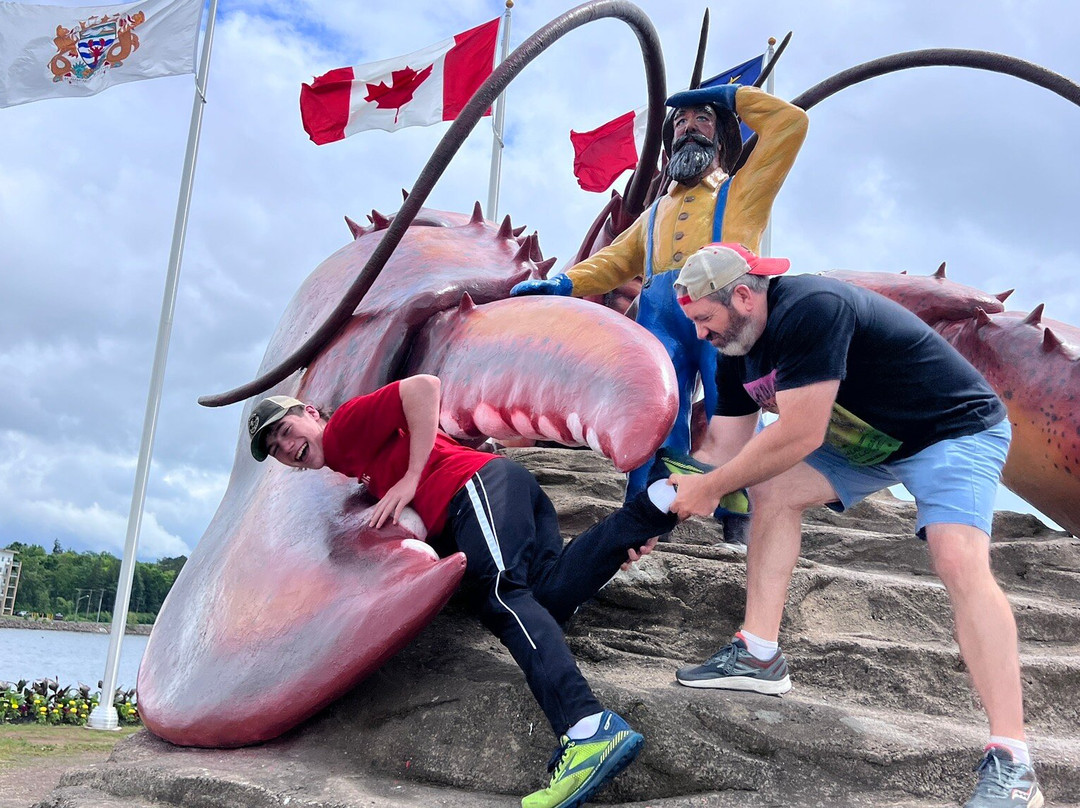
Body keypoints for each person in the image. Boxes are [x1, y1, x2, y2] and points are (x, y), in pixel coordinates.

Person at [663, 242, 1042, 808]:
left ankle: (1014, 763)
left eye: (703, 320)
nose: (699, 335)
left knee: (957, 556)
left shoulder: (812, 307)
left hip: (949, 428)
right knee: (772, 489)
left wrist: (709, 488)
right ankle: (759, 654)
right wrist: (655, 509)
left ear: (743, 295)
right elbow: (724, 449)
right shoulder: (734, 344)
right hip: (864, 436)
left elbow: (799, 435)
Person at [247, 375, 679, 808]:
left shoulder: (343, 427)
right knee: (543, 600)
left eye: (285, 432)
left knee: (500, 597)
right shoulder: (345, 457)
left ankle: (587, 728)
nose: (286, 448)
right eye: (275, 450)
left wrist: (412, 478)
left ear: (310, 413)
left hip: (472, 489)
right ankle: (651, 509)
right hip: (503, 490)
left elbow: (421, 388)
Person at [511, 83, 807, 549]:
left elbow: (791, 123)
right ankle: (646, 506)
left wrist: (732, 95)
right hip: (660, 319)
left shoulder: (742, 191)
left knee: (730, 409)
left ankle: (739, 513)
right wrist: (564, 283)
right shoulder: (653, 214)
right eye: (680, 124)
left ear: (722, 134)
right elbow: (614, 260)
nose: (689, 129)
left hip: (724, 313)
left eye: (702, 120)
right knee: (656, 409)